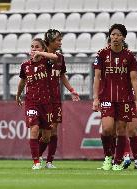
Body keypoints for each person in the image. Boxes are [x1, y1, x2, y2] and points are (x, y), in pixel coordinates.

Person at [92, 24, 137, 171]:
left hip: (125, 98)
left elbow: (134, 80)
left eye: (118, 35)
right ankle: (108, 157)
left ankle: (117, 161)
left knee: (121, 129)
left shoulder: (129, 56)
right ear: (110, 36)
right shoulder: (102, 54)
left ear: (123, 37)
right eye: (113, 34)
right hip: (107, 97)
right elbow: (97, 77)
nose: (115, 37)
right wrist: (95, 98)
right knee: (107, 129)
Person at [38, 29, 80, 169]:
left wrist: (72, 90)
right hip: (41, 99)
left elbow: (62, 76)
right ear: (49, 41)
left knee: (54, 129)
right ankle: (36, 156)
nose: (60, 42)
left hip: (55, 98)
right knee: (45, 132)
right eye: (58, 40)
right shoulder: (40, 57)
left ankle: (49, 161)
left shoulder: (60, 58)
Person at [16, 38, 58, 170]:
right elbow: (22, 82)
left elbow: (55, 57)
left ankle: (39, 155)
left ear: (43, 49)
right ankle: (36, 162)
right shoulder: (25, 65)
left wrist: (42, 54)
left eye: (37, 47)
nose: (34, 49)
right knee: (34, 129)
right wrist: (18, 95)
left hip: (47, 103)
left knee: (46, 136)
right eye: (32, 47)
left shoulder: (46, 62)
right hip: (31, 102)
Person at [122, 104, 137, 169]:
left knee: (133, 133)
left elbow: (136, 93)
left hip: (130, 103)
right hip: (119, 102)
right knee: (121, 132)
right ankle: (126, 157)